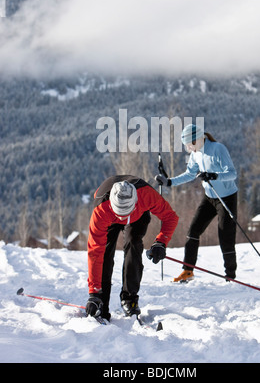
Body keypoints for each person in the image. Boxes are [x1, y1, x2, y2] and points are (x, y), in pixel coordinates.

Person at [86, 174, 179, 321]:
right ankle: (101, 303)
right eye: (120, 214)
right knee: (104, 255)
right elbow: (94, 253)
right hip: (110, 217)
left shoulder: (146, 195)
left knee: (133, 245)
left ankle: (130, 300)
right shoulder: (101, 210)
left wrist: (161, 242)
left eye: (126, 213)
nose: (123, 219)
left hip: (138, 215)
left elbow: (170, 217)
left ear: (134, 202)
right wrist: (94, 294)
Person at [155, 124, 238, 282]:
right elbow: (190, 174)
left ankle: (230, 276)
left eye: (189, 145)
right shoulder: (196, 154)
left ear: (197, 139)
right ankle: (188, 271)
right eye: (186, 146)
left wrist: (214, 176)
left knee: (225, 236)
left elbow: (232, 173)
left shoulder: (218, 149)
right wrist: (169, 182)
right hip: (209, 197)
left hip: (226, 197)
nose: (188, 148)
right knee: (193, 231)